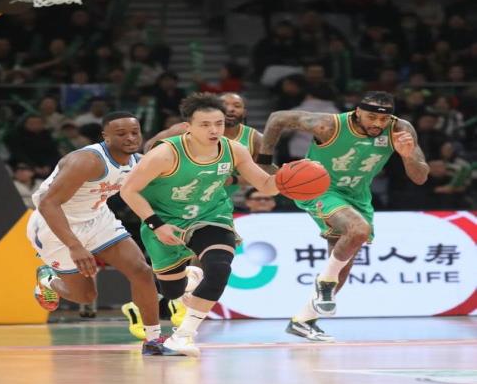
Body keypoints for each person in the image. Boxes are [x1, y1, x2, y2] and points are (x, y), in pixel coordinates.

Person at [256, 91, 429, 341]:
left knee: (343, 261)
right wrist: (264, 160)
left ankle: (303, 321)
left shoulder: (400, 129)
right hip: (319, 189)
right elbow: (278, 118)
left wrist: (408, 154)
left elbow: (420, 177)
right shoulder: (329, 125)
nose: (377, 124)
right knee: (358, 230)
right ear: (357, 112)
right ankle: (325, 284)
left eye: (383, 119)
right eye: (371, 117)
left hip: (357, 195)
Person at [120, 93, 281, 356]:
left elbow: (265, 184)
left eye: (218, 123)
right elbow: (128, 191)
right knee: (172, 291)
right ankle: (189, 278)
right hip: (165, 221)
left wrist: (290, 179)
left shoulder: (234, 150)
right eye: (205, 125)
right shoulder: (165, 154)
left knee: (219, 269)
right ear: (188, 127)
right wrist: (156, 225)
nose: (214, 130)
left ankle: (183, 336)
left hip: (211, 215)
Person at [26, 112, 163, 354]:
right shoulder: (87, 161)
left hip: (97, 217)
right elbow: (48, 204)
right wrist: (75, 246)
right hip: (54, 224)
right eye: (121, 134)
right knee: (86, 296)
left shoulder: (138, 162)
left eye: (135, 132)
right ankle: (49, 281)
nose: (130, 138)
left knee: (141, 271)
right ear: (105, 136)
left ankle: (153, 340)